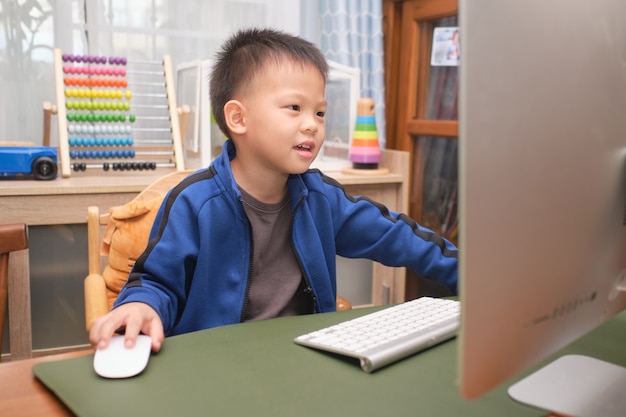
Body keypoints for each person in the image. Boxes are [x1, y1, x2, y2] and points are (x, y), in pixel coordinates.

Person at [89, 28, 458, 353]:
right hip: (213, 365)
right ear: (238, 118)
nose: (312, 125)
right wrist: (142, 306)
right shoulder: (193, 202)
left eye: (319, 113)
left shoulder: (321, 200)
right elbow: (156, 281)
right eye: (294, 107)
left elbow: (398, 236)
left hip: (303, 360)